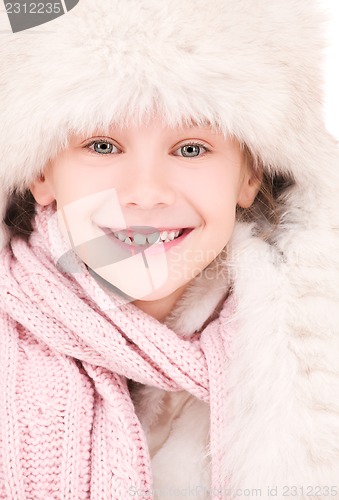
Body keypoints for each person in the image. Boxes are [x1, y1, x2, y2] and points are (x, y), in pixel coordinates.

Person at [0, 0, 338, 498]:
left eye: (191, 149)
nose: (147, 191)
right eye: (102, 146)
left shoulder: (318, 364)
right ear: (41, 172)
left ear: (249, 176)